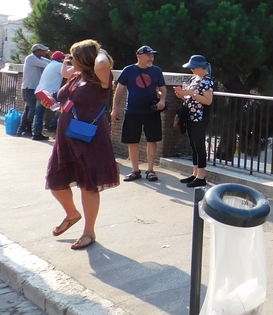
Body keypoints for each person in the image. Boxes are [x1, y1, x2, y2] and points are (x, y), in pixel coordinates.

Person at [45, 39, 119, 250]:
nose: (70, 60)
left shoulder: (101, 78)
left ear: (86, 59)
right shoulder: (77, 77)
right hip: (66, 137)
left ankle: (89, 231)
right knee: (56, 181)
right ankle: (72, 214)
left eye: (74, 56)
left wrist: (99, 49)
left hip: (90, 140)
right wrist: (54, 104)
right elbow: (64, 76)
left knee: (88, 185)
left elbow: (103, 63)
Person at [112, 45, 167, 182]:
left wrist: (163, 100)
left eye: (152, 55)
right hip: (133, 111)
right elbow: (119, 90)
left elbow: (163, 89)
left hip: (151, 111)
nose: (151, 58)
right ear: (139, 56)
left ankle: (150, 170)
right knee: (132, 141)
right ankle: (135, 170)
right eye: (148, 55)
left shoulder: (156, 71)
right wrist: (115, 108)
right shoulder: (129, 70)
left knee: (152, 140)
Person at [173, 55, 214, 188]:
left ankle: (201, 176)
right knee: (193, 145)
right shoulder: (194, 78)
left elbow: (208, 100)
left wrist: (192, 94)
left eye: (194, 68)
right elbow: (189, 96)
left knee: (199, 146)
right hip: (191, 116)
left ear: (200, 67)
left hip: (200, 117)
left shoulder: (208, 80)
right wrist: (182, 94)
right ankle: (195, 173)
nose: (192, 70)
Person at [18, 43, 52, 140]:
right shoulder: (31, 58)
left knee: (28, 109)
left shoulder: (39, 59)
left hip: (33, 89)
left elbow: (50, 62)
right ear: (37, 51)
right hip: (29, 88)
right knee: (32, 110)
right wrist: (50, 55)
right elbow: (47, 65)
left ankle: (22, 130)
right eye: (43, 50)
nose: (44, 52)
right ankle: (26, 129)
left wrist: (50, 57)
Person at [35, 50, 66, 133]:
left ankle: (36, 133)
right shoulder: (60, 65)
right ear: (60, 59)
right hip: (50, 93)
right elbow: (68, 73)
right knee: (62, 108)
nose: (63, 60)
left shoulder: (49, 65)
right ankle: (52, 127)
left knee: (39, 114)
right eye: (63, 58)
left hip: (39, 91)